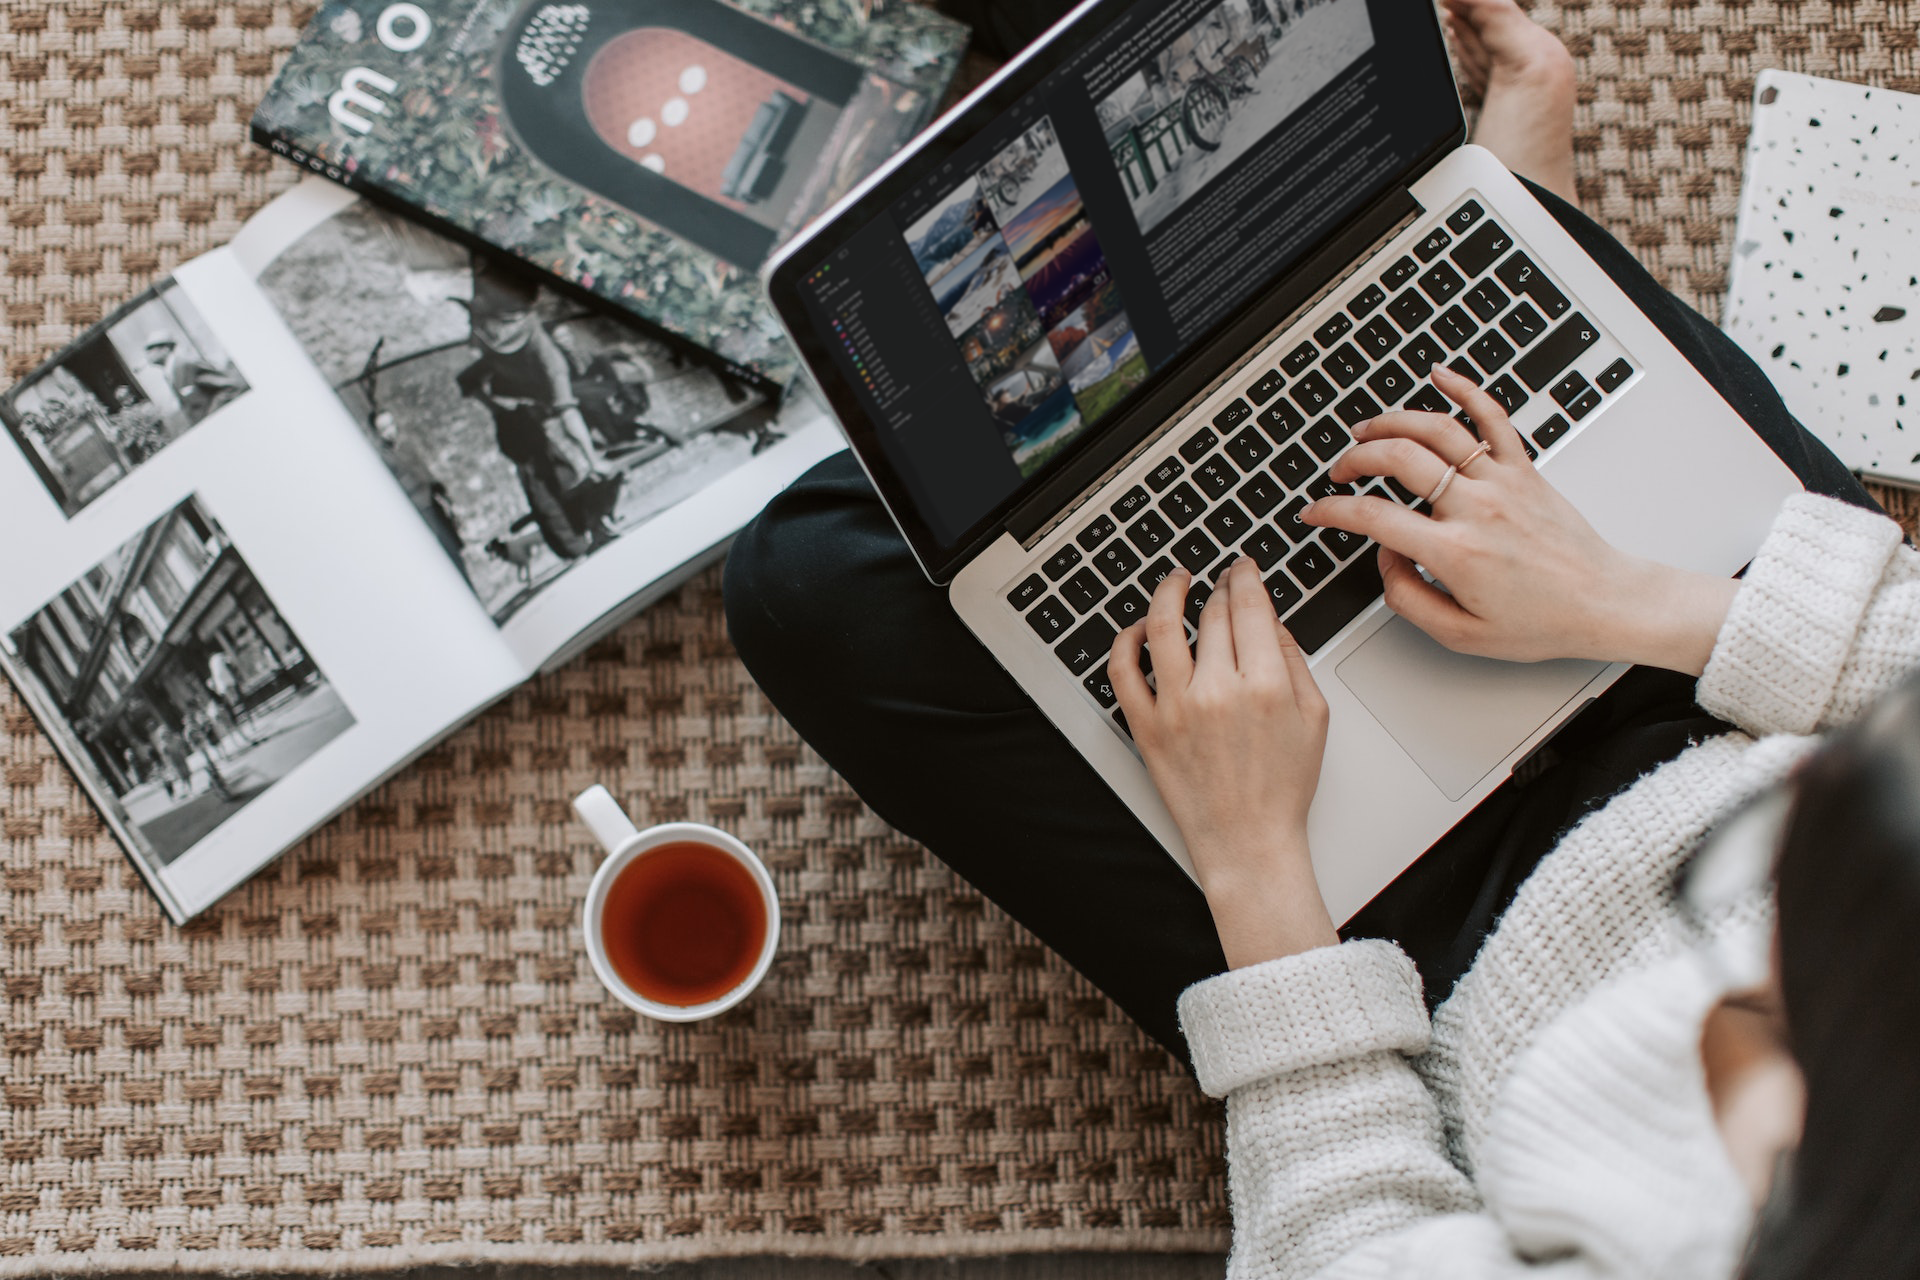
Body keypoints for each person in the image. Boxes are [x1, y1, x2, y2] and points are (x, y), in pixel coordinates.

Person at [722, 0, 1920, 1272]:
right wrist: (1617, 592)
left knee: (816, 579)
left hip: (1413, 957)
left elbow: (1346, 1241)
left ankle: (1473, 234)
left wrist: (1253, 866)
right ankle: (1478, 236)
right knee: (1462, 248)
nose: (1721, 969)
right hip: (1731, 673)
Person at [455, 268, 620, 560]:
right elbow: (470, 374)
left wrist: (592, 459)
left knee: (559, 476)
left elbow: (568, 413)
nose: (489, 334)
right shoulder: (492, 319)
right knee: (543, 482)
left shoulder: (550, 360)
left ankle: (587, 532)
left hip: (540, 416)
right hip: (521, 419)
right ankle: (578, 541)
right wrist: (499, 409)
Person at [144, 331, 244, 423]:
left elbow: (228, 387)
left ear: (165, 349)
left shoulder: (186, 365)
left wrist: (212, 416)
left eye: (151, 350)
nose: (148, 355)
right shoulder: (169, 373)